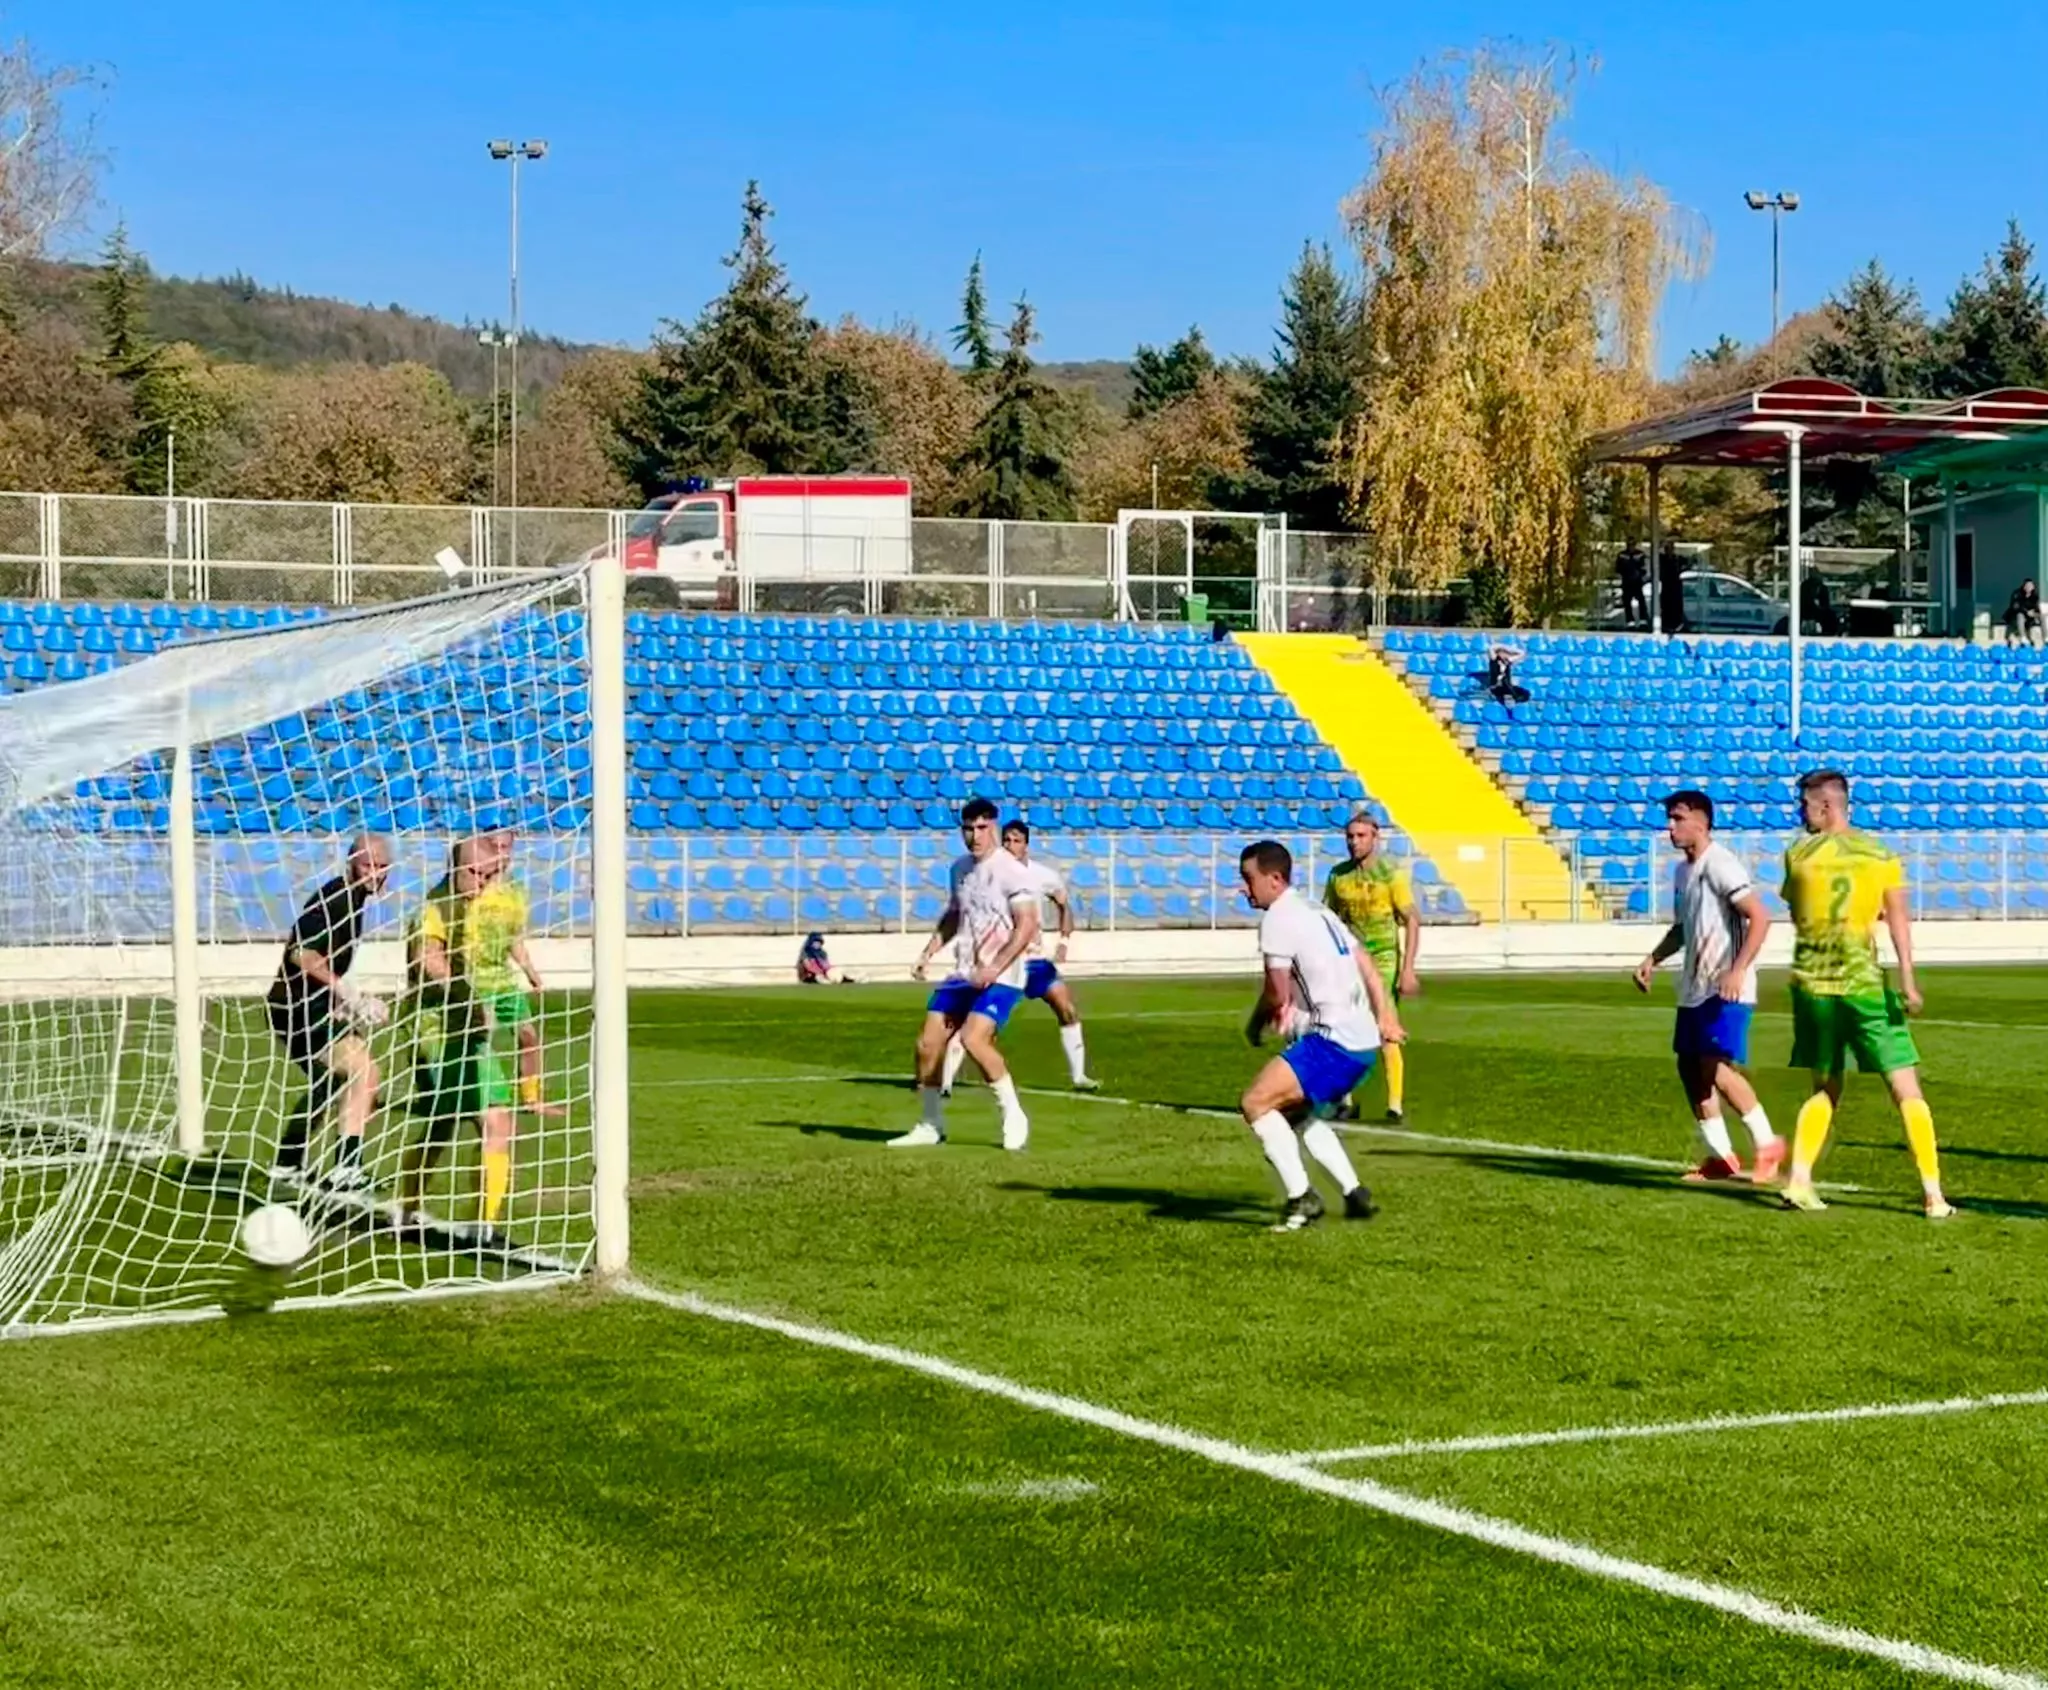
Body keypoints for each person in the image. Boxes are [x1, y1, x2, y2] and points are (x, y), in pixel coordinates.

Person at [1777, 769, 1952, 1220]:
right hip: (1863, 985)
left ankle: (1799, 1180)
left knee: (1825, 1086)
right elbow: (1897, 921)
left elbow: (1797, 914)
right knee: (1904, 1085)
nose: (1800, 813)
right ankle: (1933, 1195)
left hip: (1812, 987)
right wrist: (1908, 979)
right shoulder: (1880, 855)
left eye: (1805, 805)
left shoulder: (1797, 854)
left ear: (1826, 806)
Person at [1238, 839, 1405, 1231]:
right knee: (1298, 1113)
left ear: (1274, 879)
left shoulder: (1278, 919)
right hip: (1362, 1041)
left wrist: (1255, 1024)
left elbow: (1276, 993)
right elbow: (1366, 963)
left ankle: (1302, 1197)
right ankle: (1355, 1193)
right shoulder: (1316, 909)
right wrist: (1383, 1015)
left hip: (1333, 1041)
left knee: (1255, 1102)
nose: (1244, 889)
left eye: (1249, 879)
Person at [1632, 791, 1781, 1183]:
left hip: (1726, 987)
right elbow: (1683, 927)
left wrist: (1737, 970)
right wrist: (1652, 959)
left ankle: (1768, 1146)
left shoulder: (1721, 864)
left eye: (1678, 818)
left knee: (1713, 1067)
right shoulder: (1683, 872)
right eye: (1669, 819)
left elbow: (1760, 917)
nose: (1670, 827)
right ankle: (1722, 1157)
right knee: (1690, 1068)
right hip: (1694, 986)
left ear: (1701, 821)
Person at [895, 797, 1042, 1152]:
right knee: (927, 1044)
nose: (974, 836)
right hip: (965, 972)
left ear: (993, 827)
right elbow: (954, 914)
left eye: (981, 828)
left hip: (1002, 975)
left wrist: (996, 966)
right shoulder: (959, 869)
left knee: (974, 1039)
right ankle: (931, 1124)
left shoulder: (1012, 871)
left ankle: (1013, 1115)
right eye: (968, 828)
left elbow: (1026, 925)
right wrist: (928, 952)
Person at [395, 837, 515, 1244]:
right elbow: (426, 957)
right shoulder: (436, 908)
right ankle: (417, 1212)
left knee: (476, 1120)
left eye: (490, 875)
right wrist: (463, 992)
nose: (482, 882)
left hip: (469, 1027)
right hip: (433, 1029)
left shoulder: (483, 908)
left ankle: (479, 1222)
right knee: (467, 1120)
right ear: (454, 869)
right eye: (474, 873)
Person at [264, 832, 393, 1191]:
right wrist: (347, 992)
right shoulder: (335, 898)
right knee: (364, 1072)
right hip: (297, 1009)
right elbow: (301, 955)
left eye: (382, 866)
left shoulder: (354, 900)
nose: (375, 874)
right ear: (351, 863)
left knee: (333, 1081)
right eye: (368, 865)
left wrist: (341, 1001)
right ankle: (347, 1170)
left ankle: (287, 1162)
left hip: (311, 1006)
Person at [940, 820, 1098, 1095]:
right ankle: (945, 1083)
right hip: (1003, 962)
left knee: (1066, 1008)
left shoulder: (1042, 875)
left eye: (1017, 841)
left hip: (1034, 961)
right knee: (978, 1023)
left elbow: (1063, 904)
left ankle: (1079, 1076)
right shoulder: (991, 873)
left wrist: (1064, 940)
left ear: (1026, 845)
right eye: (1007, 840)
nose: (1011, 845)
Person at [1321, 812, 1419, 1122]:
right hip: (1351, 960)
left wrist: (1408, 969)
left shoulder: (1391, 874)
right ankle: (1346, 1100)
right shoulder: (1338, 876)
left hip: (1385, 959)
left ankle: (1394, 1105)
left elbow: (1412, 919)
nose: (1354, 842)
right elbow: (1329, 921)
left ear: (1375, 838)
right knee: (1342, 1026)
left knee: (1385, 1025)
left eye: (1361, 836)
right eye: (1350, 836)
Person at [472, 830, 560, 1119]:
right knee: (479, 1039)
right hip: (473, 978)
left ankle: (531, 1099)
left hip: (502, 978)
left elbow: (514, 939)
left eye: (506, 847)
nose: (501, 853)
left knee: (529, 1036)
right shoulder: (471, 886)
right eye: (495, 847)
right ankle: (477, 1096)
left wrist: (531, 972)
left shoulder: (516, 891)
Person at [1484, 643, 1530, 708]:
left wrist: (1509, 649)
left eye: (1507, 653)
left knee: (1525, 693)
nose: (1507, 654)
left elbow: (1522, 653)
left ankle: (1514, 703)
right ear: (1499, 653)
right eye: (1504, 652)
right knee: (1505, 686)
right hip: (1497, 687)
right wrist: (1502, 646)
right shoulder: (1494, 660)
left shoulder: (1507, 661)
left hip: (1507, 686)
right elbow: (1490, 648)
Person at [1617, 542, 1650, 629]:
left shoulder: (1639, 554)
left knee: (1641, 600)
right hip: (1627, 582)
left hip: (1637, 582)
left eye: (1632, 544)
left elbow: (1644, 567)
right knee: (1627, 601)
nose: (1631, 546)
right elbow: (1618, 568)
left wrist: (1642, 576)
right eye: (1629, 544)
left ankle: (1643, 620)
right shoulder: (1622, 555)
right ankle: (1630, 621)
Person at [1658, 543, 1687, 635]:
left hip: (1675, 586)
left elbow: (1686, 564)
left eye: (1670, 549)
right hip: (1666, 586)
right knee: (1666, 606)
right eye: (1667, 549)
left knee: (1676, 607)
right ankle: (1666, 625)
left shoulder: (1678, 559)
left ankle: (1676, 625)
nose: (1669, 551)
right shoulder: (1662, 559)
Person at [2006, 578, 2043, 647]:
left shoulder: (2035, 596)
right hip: (2015, 617)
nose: (2029, 588)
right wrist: (2027, 612)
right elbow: (2015, 606)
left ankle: (2046, 638)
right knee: (2020, 615)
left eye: (2031, 586)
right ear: (2024, 586)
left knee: (2042, 616)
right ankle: (2023, 637)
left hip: (2029, 617)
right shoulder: (2017, 594)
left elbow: (2037, 608)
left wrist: (2035, 613)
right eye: (2027, 586)